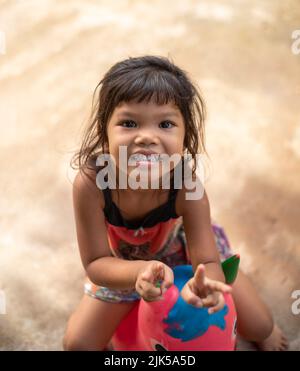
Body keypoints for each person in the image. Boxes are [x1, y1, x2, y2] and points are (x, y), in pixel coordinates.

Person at [63, 55, 288, 351]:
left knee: (261, 324)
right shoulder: (92, 184)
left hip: (185, 253)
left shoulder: (186, 184)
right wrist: (137, 274)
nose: (146, 137)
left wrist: (206, 284)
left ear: (185, 138)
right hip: (125, 265)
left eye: (165, 124)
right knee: (77, 345)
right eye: (129, 123)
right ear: (105, 134)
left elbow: (205, 259)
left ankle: (263, 329)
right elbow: (96, 263)